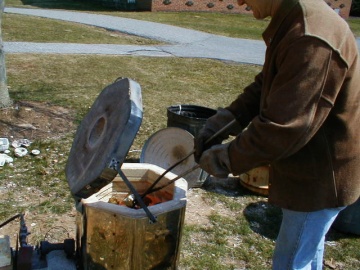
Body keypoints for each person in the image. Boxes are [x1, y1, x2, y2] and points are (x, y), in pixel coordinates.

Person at [194, 0, 360, 269]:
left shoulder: (310, 36)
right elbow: (267, 85)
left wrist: (227, 158)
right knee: (306, 252)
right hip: (310, 168)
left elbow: (286, 126)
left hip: (319, 179)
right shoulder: (295, 19)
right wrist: (221, 123)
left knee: (292, 262)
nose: (239, 2)